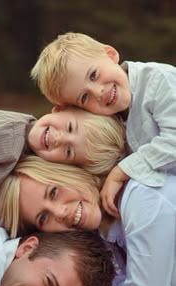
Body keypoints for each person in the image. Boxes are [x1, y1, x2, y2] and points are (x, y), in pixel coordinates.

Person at [0, 154, 176, 286]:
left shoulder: (142, 197)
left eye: (54, 192)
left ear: (70, 172)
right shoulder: (99, 241)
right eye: (44, 217)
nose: (60, 212)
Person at [31, 31, 176, 218]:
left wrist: (122, 171)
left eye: (93, 75)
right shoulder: (113, 119)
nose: (98, 91)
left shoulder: (158, 80)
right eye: (84, 97)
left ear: (110, 54)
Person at [0, 108, 125, 241]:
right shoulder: (9, 133)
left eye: (69, 151)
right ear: (60, 109)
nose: (58, 138)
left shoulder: (23, 164)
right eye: (53, 191)